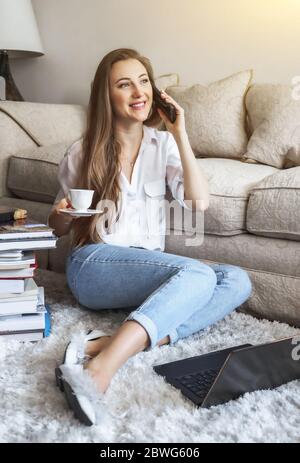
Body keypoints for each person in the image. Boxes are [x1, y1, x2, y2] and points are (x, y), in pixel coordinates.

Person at [48, 48, 252, 425]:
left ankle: (99, 345)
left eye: (144, 81)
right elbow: (62, 227)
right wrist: (57, 216)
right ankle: (100, 369)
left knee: (237, 280)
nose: (138, 91)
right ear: (106, 96)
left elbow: (199, 202)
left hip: (144, 273)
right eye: (124, 85)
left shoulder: (164, 145)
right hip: (93, 264)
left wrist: (180, 132)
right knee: (199, 275)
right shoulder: (82, 152)